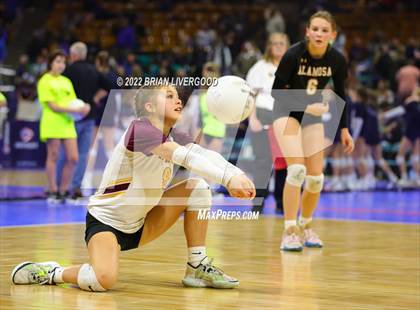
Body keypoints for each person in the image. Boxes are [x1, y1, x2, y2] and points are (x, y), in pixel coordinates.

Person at [11, 84, 256, 291]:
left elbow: (202, 153)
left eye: (177, 96)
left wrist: (236, 173)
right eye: (168, 96)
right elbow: (184, 156)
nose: (178, 99)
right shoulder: (140, 129)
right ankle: (53, 272)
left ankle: (196, 266)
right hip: (106, 223)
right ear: (149, 107)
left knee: (197, 188)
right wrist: (227, 180)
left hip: (141, 223)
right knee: (103, 279)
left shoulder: (175, 134)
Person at [271, 11, 354, 251]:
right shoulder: (293, 55)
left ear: (333, 35)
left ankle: (305, 225)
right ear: (307, 31)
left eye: (324, 30)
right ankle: (289, 230)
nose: (319, 33)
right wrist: (307, 105)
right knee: (296, 170)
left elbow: (341, 95)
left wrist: (345, 128)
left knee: (316, 178)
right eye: (315, 29)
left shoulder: (337, 60)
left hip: (312, 117)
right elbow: (276, 93)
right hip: (285, 114)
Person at [56, 42, 111, 202]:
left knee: (64, 153)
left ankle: (60, 187)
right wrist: (95, 97)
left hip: (70, 118)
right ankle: (76, 187)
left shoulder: (68, 71)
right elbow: (110, 85)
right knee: (82, 153)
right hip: (90, 117)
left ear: (73, 55)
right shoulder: (93, 70)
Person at [37, 51, 90, 203]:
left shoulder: (66, 81)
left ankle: (64, 190)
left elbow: (73, 102)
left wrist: (84, 107)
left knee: (73, 158)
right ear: (50, 63)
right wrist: (75, 110)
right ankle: (53, 191)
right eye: (58, 61)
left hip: (67, 122)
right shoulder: (44, 81)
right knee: (53, 155)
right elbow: (53, 106)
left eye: (63, 62)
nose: (61, 65)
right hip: (52, 121)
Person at [246, 32, 289, 212]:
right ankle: (258, 203)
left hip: (285, 117)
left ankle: (282, 202)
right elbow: (249, 95)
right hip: (262, 116)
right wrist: (252, 118)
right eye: (275, 43)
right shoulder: (260, 67)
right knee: (263, 161)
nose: (278, 46)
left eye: (282, 43)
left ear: (287, 46)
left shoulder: (292, 67)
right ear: (269, 46)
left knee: (284, 162)